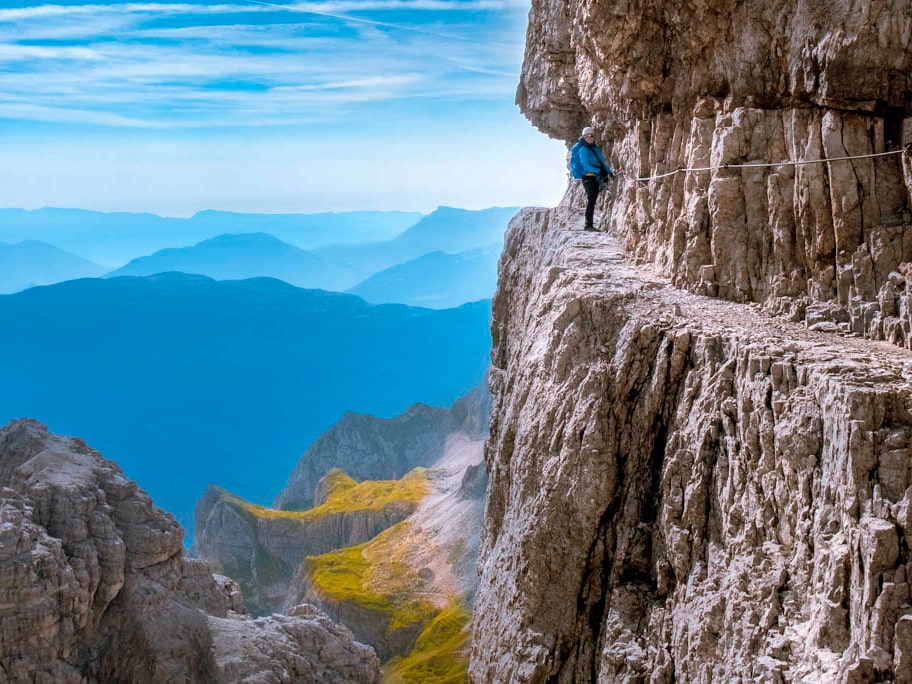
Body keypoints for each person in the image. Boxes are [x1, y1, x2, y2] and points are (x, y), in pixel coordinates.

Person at [577, 127, 613, 231]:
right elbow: (586, 166)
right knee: (591, 199)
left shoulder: (596, 149)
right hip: (588, 177)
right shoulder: (583, 150)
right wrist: (599, 171)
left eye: (591, 135)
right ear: (583, 137)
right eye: (587, 136)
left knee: (593, 199)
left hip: (595, 177)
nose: (589, 137)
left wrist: (609, 172)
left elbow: (602, 163)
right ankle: (588, 225)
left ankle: (589, 225)